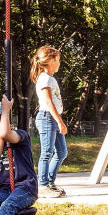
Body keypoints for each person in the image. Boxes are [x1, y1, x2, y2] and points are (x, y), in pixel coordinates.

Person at [31, 45, 68, 198]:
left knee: (61, 152)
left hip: (52, 118)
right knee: (47, 153)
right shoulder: (44, 78)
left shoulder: (50, 78)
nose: (59, 63)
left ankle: (50, 182)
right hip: (47, 118)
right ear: (51, 60)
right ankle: (43, 185)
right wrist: (60, 121)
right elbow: (48, 102)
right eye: (58, 60)